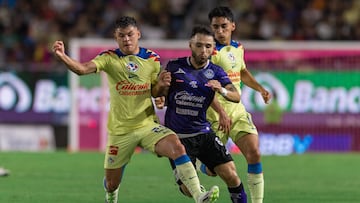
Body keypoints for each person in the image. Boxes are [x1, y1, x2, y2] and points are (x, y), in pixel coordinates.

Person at [52, 16, 219, 203]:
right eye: (121, 36)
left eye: (130, 34)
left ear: (138, 34)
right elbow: (82, 69)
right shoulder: (109, 58)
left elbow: (156, 92)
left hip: (146, 125)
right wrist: (62, 56)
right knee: (112, 183)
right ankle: (110, 194)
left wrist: (162, 87)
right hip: (120, 131)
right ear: (116, 37)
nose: (126, 39)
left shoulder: (152, 59)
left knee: (177, 146)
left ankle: (199, 196)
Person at [156, 25, 247, 203]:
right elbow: (161, 91)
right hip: (178, 138)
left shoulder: (216, 72)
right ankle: (200, 191)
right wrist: (161, 91)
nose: (203, 50)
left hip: (204, 133)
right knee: (187, 189)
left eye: (207, 46)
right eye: (199, 45)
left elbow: (236, 96)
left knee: (231, 174)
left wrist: (221, 91)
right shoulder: (174, 67)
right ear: (190, 45)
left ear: (213, 48)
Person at [203, 6, 272, 203]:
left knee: (254, 153)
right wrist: (221, 113)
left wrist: (260, 88)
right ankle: (202, 164)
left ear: (233, 25)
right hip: (215, 116)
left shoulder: (238, 47)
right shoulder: (208, 53)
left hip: (237, 112)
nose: (219, 31)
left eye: (224, 26)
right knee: (212, 170)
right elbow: (206, 88)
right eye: (215, 27)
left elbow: (241, 72)